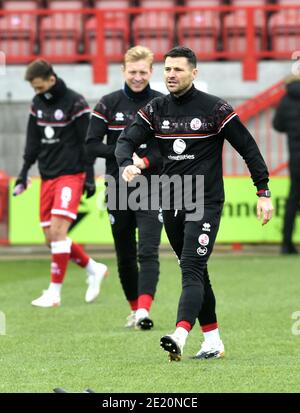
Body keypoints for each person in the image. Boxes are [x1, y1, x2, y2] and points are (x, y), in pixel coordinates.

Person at [115, 46, 273, 361]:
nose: (171, 75)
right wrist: (125, 165)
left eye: (178, 70)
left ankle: (181, 333)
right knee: (197, 271)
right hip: (171, 197)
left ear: (194, 73)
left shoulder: (215, 109)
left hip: (205, 200)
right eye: (167, 69)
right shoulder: (155, 109)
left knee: (190, 267)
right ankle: (212, 341)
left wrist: (263, 191)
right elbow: (126, 140)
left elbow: (248, 147)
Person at [14, 59, 108, 308]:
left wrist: (88, 175)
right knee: (50, 238)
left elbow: (87, 141)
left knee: (58, 233)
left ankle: (54, 293)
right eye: (34, 89)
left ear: (51, 80)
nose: (37, 93)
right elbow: (32, 142)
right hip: (47, 176)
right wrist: (24, 172)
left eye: (39, 88)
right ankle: (93, 268)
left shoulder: (75, 102)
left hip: (71, 174)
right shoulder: (37, 104)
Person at [85, 46, 163, 330]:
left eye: (143, 72)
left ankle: (144, 310)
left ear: (151, 72)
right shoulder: (108, 103)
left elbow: (165, 150)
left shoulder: (162, 103)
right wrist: (122, 154)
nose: (138, 77)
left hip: (154, 185)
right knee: (125, 254)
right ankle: (134, 309)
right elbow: (91, 144)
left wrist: (141, 161)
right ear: (123, 71)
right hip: (117, 187)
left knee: (148, 251)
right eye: (133, 72)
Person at [273, 74, 300, 254]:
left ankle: (286, 243)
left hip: (296, 157)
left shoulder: (285, 100)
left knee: (293, 200)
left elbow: (277, 125)